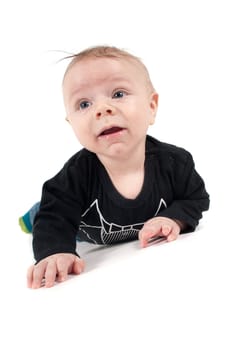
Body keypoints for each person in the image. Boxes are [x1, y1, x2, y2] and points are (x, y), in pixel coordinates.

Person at [19, 46, 210, 289]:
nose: (102, 109)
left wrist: (174, 219)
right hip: (77, 224)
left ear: (151, 107)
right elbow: (55, 217)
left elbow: (195, 198)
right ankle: (30, 216)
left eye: (118, 94)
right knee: (44, 213)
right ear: (71, 123)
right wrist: (55, 251)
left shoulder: (175, 164)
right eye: (84, 104)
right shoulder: (76, 176)